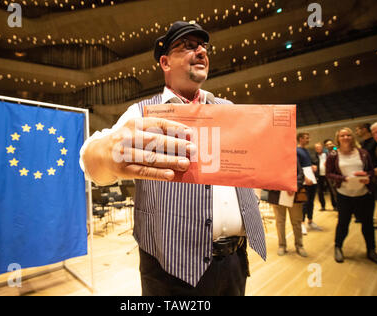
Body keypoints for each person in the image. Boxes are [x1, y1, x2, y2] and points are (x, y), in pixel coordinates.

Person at [80, 21, 266, 295]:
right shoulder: (141, 113)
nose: (201, 52)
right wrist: (105, 155)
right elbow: (89, 162)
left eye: (204, 47)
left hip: (234, 261)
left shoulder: (229, 109)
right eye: (189, 46)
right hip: (170, 269)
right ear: (165, 62)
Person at [326, 127, 377, 266]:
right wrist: (343, 178)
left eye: (348, 135)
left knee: (368, 224)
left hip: (364, 194)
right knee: (343, 223)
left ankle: (371, 251)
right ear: (338, 139)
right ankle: (338, 247)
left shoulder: (363, 153)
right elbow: (329, 173)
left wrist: (368, 177)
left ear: (352, 137)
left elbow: (371, 171)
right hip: (344, 195)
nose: (346, 137)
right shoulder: (333, 155)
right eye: (342, 135)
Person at [270, 160, 308, 257]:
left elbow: (300, 175)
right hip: (277, 194)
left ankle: (299, 245)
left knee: (297, 222)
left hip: (293, 195)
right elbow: (267, 175)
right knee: (280, 222)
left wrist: (293, 186)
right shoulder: (271, 158)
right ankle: (282, 245)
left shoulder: (292, 156)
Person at [297, 132, 321, 234]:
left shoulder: (306, 150)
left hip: (312, 176)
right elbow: (298, 167)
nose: (308, 140)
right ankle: (302, 223)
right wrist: (305, 178)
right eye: (306, 138)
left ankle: (310, 220)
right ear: (300, 139)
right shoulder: (296, 150)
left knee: (311, 201)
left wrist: (312, 166)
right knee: (304, 202)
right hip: (304, 179)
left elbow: (307, 163)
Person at [314, 142, 336, 211]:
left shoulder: (327, 153)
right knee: (320, 192)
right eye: (317, 148)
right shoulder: (314, 156)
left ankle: (335, 206)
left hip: (328, 175)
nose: (318, 149)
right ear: (315, 149)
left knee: (332, 191)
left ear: (322, 147)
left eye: (319, 147)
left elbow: (335, 150)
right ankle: (323, 206)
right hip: (319, 176)